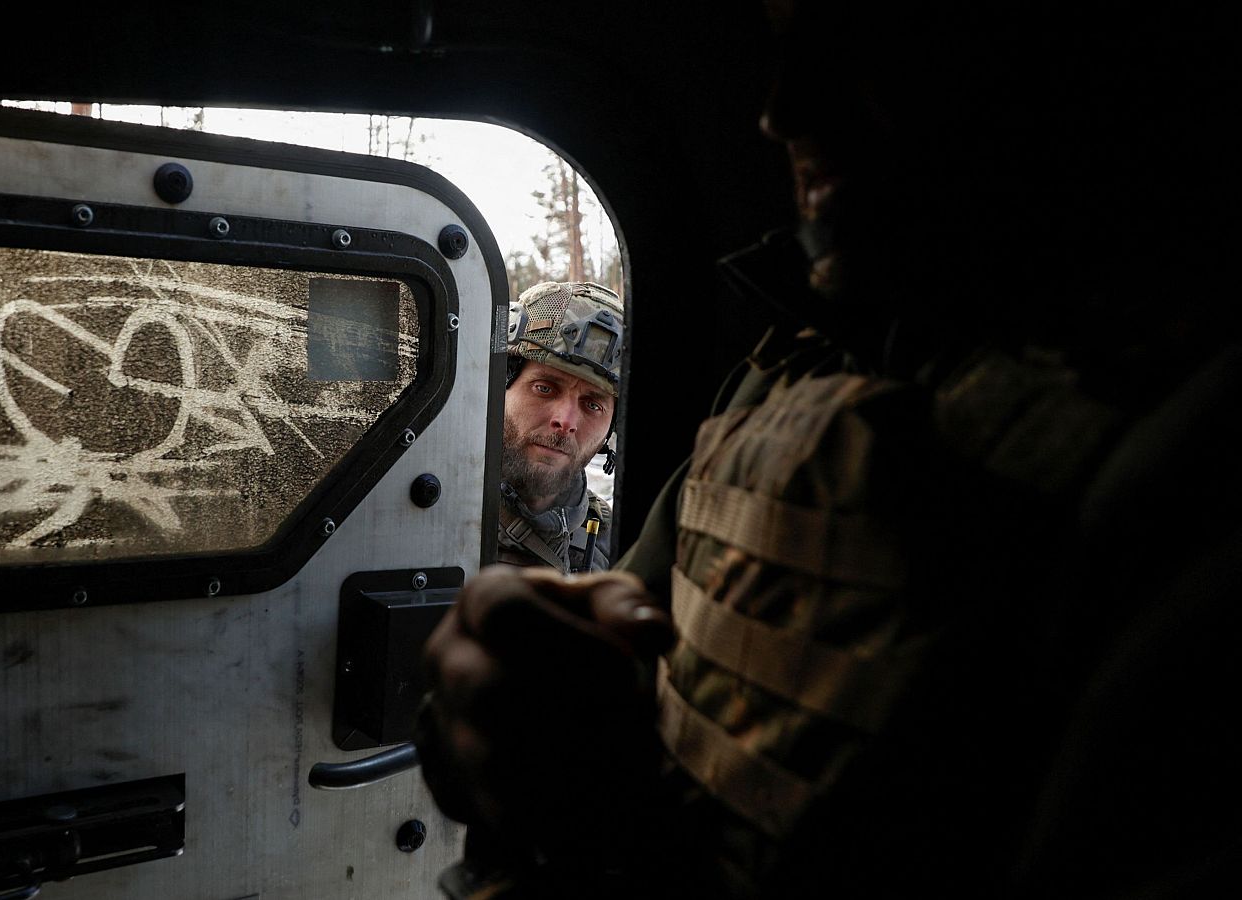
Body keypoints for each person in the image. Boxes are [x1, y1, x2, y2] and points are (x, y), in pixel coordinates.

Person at [417, 1, 1234, 897]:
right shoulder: (790, 376)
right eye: (782, 38)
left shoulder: (1183, 449)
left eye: (871, 30)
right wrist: (492, 724)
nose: (783, 110)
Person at [496, 281, 623, 573]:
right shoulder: (431, 505)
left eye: (593, 405)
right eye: (544, 388)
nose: (566, 421)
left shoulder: (613, 546)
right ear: (500, 385)